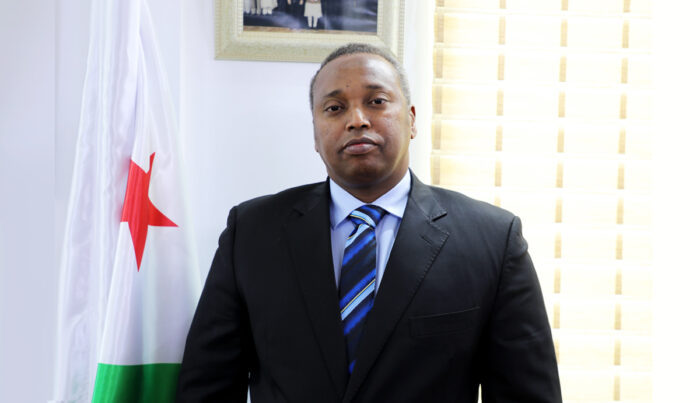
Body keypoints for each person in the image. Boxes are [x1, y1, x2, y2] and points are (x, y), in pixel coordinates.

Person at [176, 43, 562, 402]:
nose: (357, 120)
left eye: (376, 101)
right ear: (315, 135)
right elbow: (207, 388)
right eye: (334, 108)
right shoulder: (251, 233)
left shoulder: (493, 240)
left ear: (411, 120)